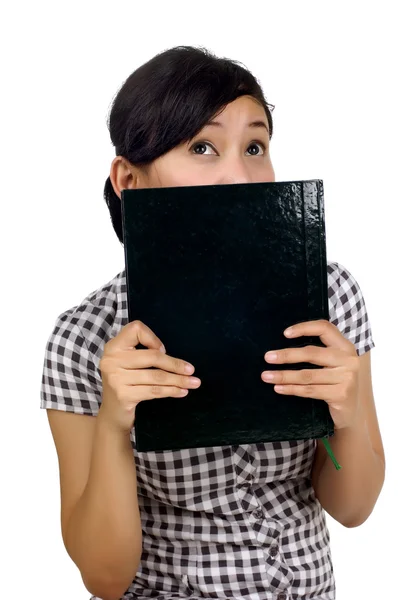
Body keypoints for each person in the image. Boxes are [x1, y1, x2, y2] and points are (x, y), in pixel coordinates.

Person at [40, 45, 385, 600]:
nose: (240, 174)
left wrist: (347, 417)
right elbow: (105, 579)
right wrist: (113, 426)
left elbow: (354, 509)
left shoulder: (330, 296)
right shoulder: (83, 336)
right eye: (202, 146)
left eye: (255, 146)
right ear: (129, 180)